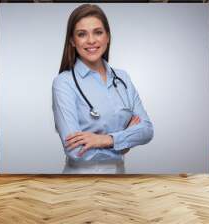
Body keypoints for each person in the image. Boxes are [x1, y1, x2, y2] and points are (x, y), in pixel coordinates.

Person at [52, 4, 154, 174]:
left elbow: (147, 130)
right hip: (79, 182)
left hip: (119, 177)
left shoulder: (123, 78)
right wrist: (124, 141)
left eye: (98, 32)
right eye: (82, 34)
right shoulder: (64, 83)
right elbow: (76, 151)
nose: (91, 40)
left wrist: (104, 139)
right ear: (72, 40)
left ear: (107, 36)